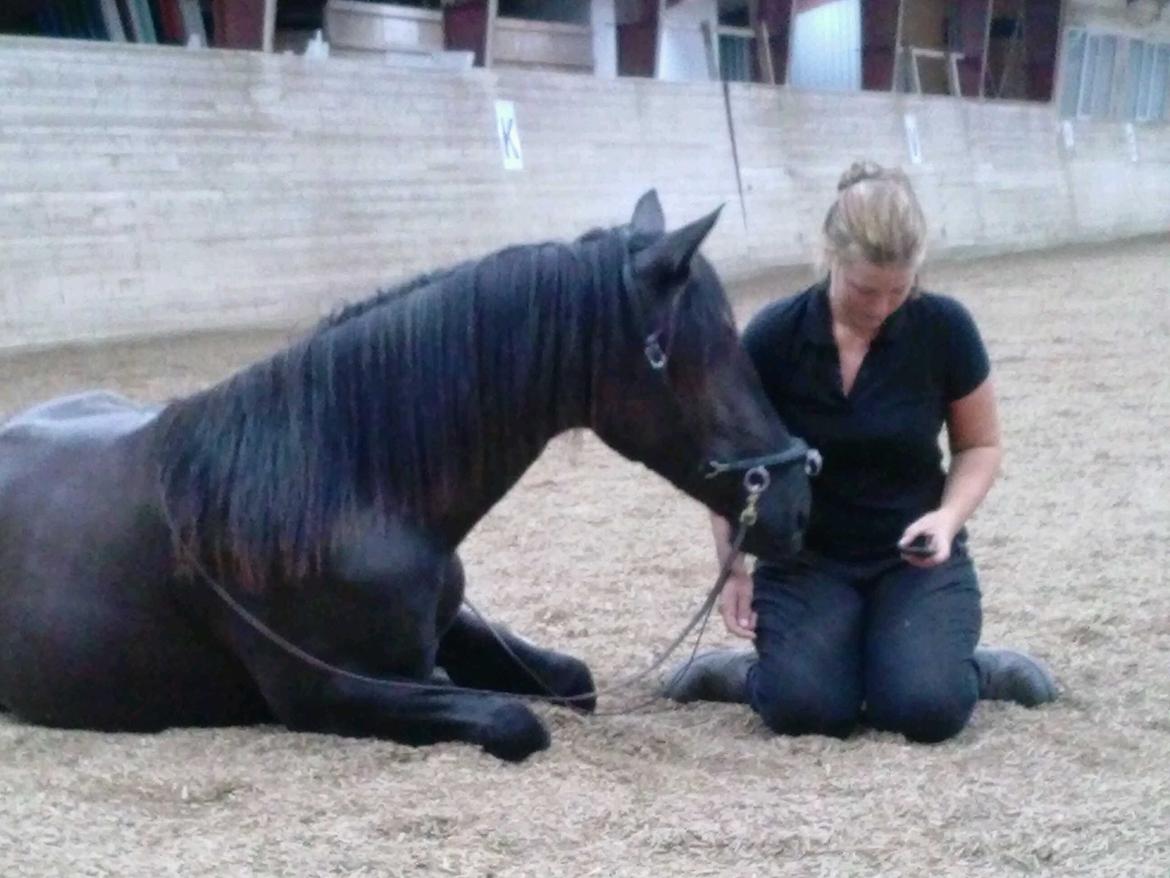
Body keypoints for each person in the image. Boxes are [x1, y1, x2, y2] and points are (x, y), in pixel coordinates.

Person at [665, 161, 1056, 743]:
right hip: (807, 559)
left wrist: (947, 520)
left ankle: (972, 668)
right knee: (805, 710)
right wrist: (733, 569)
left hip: (914, 559)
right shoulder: (774, 336)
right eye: (865, 289)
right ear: (830, 258)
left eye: (899, 290)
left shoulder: (944, 328)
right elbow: (727, 463)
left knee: (927, 708)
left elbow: (980, 445)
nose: (881, 306)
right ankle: (753, 674)